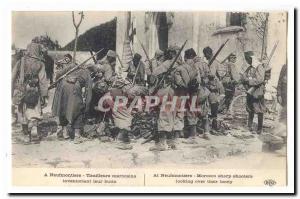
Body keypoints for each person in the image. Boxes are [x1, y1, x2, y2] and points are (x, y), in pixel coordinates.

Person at [12, 36, 49, 142]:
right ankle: (34, 131)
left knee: (23, 112)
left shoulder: (21, 61)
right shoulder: (41, 63)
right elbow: (43, 81)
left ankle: (26, 135)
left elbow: (12, 77)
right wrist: (44, 96)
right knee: (35, 111)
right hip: (35, 91)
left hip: (22, 90)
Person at [149, 45, 185, 151]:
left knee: (165, 115)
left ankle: (162, 143)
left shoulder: (168, 63)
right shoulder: (182, 65)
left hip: (169, 91)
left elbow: (154, 74)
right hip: (181, 93)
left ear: (172, 53)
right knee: (176, 116)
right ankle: (173, 142)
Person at [51, 67, 93, 143]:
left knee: (63, 108)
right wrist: (87, 106)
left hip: (62, 85)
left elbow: (58, 74)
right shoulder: (87, 73)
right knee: (78, 109)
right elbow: (88, 91)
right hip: (74, 87)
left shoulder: (72, 67)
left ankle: (64, 133)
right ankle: (77, 136)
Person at [241, 51, 266, 134]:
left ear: (251, 58)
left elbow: (260, 80)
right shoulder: (250, 67)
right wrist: (246, 79)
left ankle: (259, 129)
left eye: (247, 59)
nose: (247, 61)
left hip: (258, 91)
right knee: (250, 108)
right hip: (250, 90)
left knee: (259, 109)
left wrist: (249, 80)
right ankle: (250, 126)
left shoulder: (259, 67)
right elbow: (244, 76)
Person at [203, 46, 225, 133]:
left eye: (205, 55)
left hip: (213, 87)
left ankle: (214, 126)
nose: (205, 56)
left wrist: (205, 74)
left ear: (209, 53)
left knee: (213, 106)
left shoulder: (213, 63)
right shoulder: (211, 62)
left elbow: (212, 75)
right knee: (209, 106)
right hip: (211, 87)